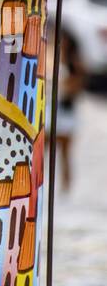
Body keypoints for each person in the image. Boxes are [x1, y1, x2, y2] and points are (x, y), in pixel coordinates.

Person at [49, 28, 85, 190]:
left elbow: (78, 84)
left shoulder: (74, 62)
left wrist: (63, 87)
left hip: (66, 111)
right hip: (54, 109)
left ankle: (66, 185)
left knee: (64, 153)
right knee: (46, 148)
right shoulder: (52, 58)